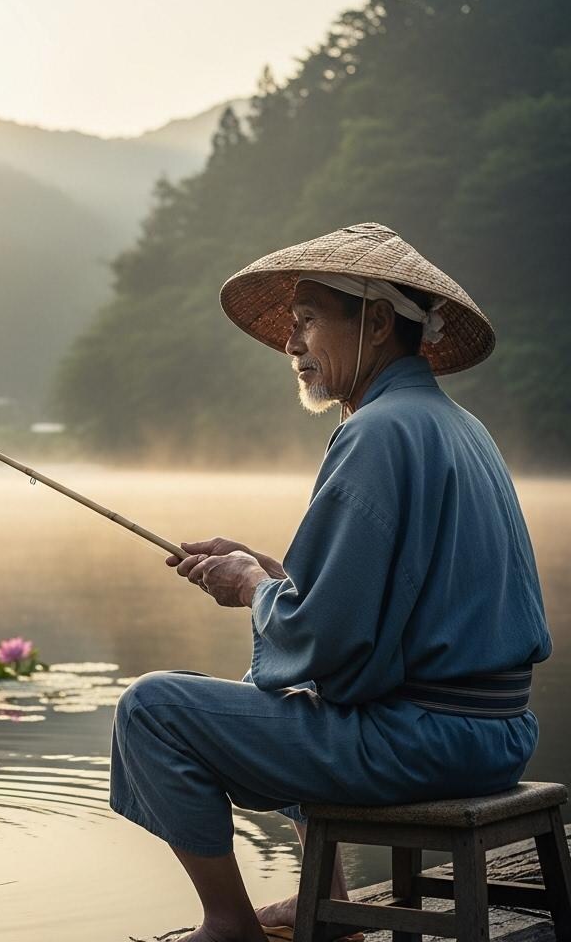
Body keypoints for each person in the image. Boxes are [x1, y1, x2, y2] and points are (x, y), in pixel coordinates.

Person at [108, 222, 552, 942]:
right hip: (499, 735)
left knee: (152, 709)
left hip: (431, 741)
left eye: (309, 320)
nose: (292, 344)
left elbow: (326, 640)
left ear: (376, 323)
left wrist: (252, 589)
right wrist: (270, 572)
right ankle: (326, 898)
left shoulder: (376, 432)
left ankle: (228, 924)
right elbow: (390, 602)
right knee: (284, 686)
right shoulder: (458, 426)